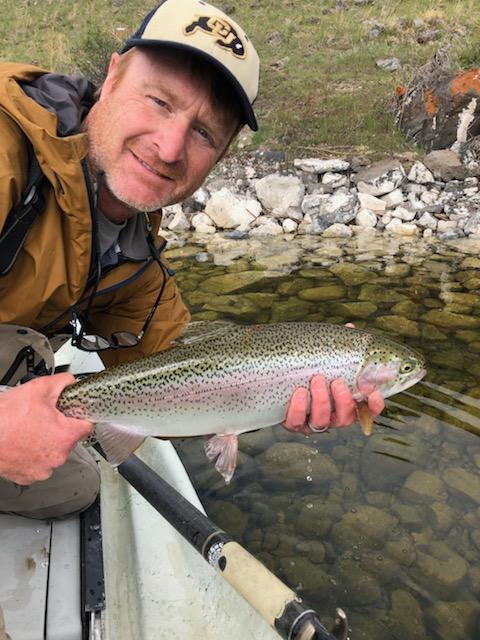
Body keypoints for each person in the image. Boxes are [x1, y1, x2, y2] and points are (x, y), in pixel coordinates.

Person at [0, 0, 384, 520]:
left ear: (219, 158)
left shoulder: (132, 257)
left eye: (204, 133)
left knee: (71, 487)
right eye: (159, 100)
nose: (169, 146)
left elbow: (190, 363)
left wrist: (297, 376)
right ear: (112, 76)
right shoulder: (6, 155)